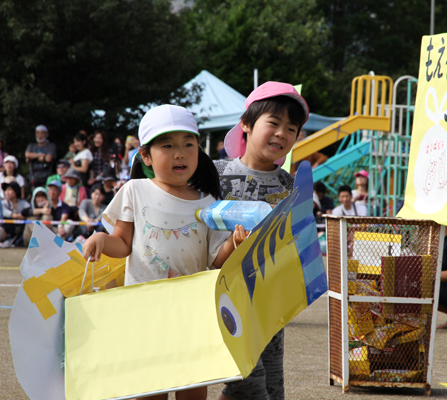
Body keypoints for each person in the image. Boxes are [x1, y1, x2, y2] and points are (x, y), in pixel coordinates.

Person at [82, 104, 244, 400]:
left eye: (188, 144)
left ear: (199, 150)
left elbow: (216, 260)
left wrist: (235, 242)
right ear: (146, 156)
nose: (179, 153)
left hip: (191, 311)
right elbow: (122, 241)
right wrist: (102, 241)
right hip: (143, 310)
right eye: (167, 145)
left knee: (192, 388)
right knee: (147, 389)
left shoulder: (208, 203)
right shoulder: (135, 190)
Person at [216, 81, 309, 400]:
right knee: (249, 384)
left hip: (270, 303)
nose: (282, 133)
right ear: (246, 124)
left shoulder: (292, 186)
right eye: (273, 122)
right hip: (225, 298)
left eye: (291, 128)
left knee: (272, 386)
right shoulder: (214, 175)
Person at [1, 181, 31, 246]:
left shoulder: (23, 203)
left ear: (16, 191)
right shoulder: (3, 203)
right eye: (6, 190)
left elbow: (29, 210)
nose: (7, 192)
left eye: (9, 190)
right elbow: (4, 212)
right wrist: (16, 216)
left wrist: (23, 215)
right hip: (9, 229)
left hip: (21, 230)